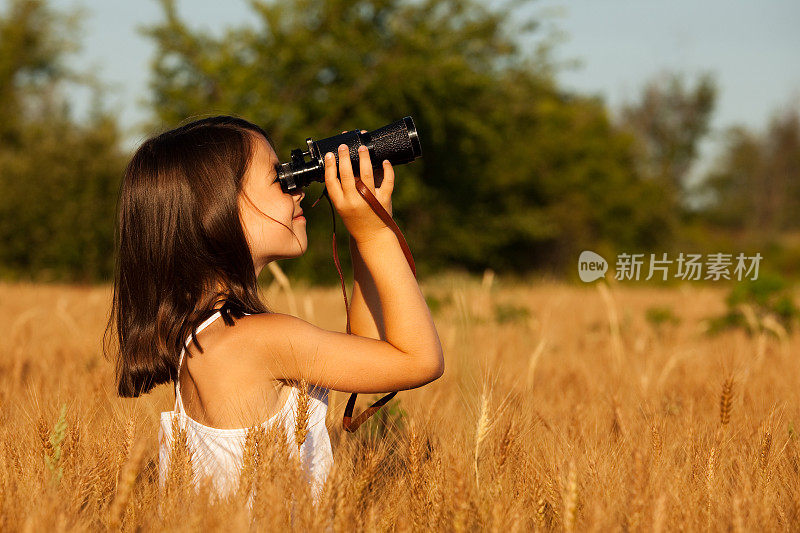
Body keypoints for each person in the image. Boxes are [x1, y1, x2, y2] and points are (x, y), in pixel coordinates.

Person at [104, 115, 444, 509]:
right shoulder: (259, 337)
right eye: (278, 178)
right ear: (216, 211)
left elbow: (368, 354)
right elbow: (419, 360)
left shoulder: (205, 338)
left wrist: (362, 232)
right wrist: (375, 234)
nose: (298, 191)